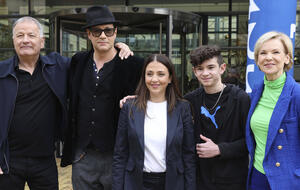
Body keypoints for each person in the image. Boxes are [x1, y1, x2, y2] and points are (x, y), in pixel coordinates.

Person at [60, 5, 144, 190]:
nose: (103, 36)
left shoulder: (133, 65)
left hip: (118, 154)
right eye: (97, 31)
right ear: (88, 34)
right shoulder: (78, 61)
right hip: (83, 155)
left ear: (115, 32)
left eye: (108, 30)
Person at [0, 16, 69, 190]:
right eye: (20, 35)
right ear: (13, 40)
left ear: (42, 41)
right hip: (8, 161)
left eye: (31, 35)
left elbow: (90, 63)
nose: (25, 40)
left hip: (45, 159)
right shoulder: (1, 72)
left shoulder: (57, 66)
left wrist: (118, 47)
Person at [112, 54, 196, 190]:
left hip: (172, 182)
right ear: (144, 77)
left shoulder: (183, 108)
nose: (154, 79)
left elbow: (188, 155)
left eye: (161, 74)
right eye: (149, 74)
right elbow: (120, 154)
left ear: (169, 78)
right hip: (136, 182)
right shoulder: (129, 107)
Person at [184, 45, 250, 190]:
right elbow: (163, 104)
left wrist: (220, 149)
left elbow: (251, 142)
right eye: (200, 68)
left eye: (211, 67)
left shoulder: (240, 99)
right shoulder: (190, 100)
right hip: (200, 180)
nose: (205, 73)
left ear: (222, 68)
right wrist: (136, 99)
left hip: (232, 180)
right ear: (195, 72)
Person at [246, 31, 300, 190]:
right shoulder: (256, 91)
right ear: (257, 60)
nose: (268, 57)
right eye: (263, 53)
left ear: (287, 58)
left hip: (287, 181)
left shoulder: (297, 94)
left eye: (276, 52)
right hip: (257, 176)